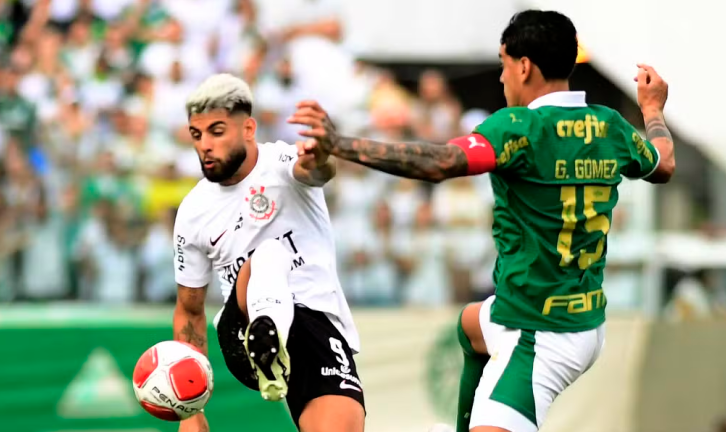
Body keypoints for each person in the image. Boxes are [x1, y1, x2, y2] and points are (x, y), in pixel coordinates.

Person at [288, 9, 675, 432]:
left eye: (503, 64)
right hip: (581, 316)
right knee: (472, 324)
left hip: (540, 334)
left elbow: (440, 163)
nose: (501, 77)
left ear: (524, 66)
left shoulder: (520, 127)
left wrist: (340, 143)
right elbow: (664, 163)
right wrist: (652, 109)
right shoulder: (609, 125)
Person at [172, 74, 364, 432]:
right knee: (269, 254)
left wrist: (323, 151)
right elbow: (189, 310)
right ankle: (267, 339)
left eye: (217, 131)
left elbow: (318, 169)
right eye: (197, 135)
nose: (205, 146)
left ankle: (276, 352)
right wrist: (190, 410)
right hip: (243, 334)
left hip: (315, 329)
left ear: (248, 128)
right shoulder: (193, 211)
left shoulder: (281, 162)